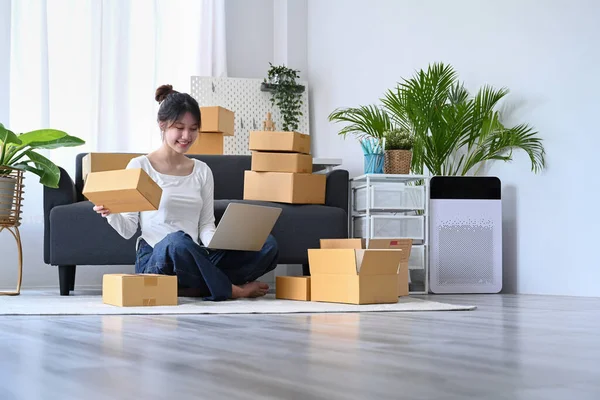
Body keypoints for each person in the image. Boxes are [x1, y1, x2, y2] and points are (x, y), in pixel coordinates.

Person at [93, 84, 279, 301]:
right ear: (163, 125)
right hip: (158, 257)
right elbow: (128, 230)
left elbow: (206, 225)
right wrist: (111, 213)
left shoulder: (202, 170)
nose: (186, 135)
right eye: (179, 127)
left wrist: (223, 243)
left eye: (193, 129)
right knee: (177, 241)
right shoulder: (140, 166)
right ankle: (231, 289)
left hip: (195, 255)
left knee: (267, 244)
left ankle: (194, 286)